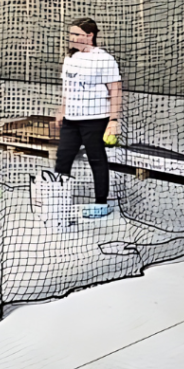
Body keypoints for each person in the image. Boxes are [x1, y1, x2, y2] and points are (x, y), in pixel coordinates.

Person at [53, 18, 122, 219]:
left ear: (90, 36)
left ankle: (101, 203)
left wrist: (113, 121)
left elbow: (115, 90)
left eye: (76, 34)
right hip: (71, 119)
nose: (71, 38)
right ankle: (58, 197)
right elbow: (68, 88)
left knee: (96, 160)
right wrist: (62, 110)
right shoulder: (70, 58)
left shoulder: (104, 59)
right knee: (63, 159)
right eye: (70, 34)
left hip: (95, 118)